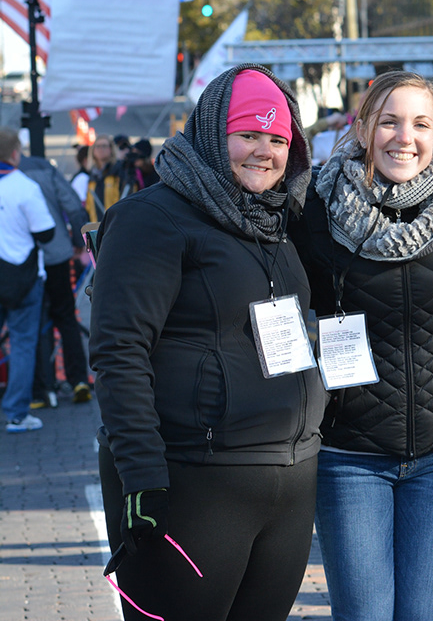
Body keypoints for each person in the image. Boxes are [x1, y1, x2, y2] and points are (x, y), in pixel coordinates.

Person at [90, 64, 325, 621]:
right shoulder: (152, 218)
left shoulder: (281, 221)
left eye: (277, 139)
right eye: (247, 134)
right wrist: (141, 476)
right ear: (213, 134)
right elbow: (119, 352)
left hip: (289, 483)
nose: (263, 152)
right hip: (194, 483)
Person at [291, 71, 433, 621]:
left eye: (420, 123)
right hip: (348, 454)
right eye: (389, 121)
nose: (403, 137)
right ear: (364, 128)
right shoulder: (314, 207)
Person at [17, 146, 93, 406]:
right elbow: (72, 204)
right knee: (66, 317)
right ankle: (79, 380)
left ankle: (42, 389)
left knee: (33, 321)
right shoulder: (44, 167)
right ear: (17, 149)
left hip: (21, 260)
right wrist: (75, 240)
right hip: (56, 253)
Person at [0, 127, 55, 433]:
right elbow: (46, 233)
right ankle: (17, 414)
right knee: (22, 344)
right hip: (22, 275)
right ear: (15, 154)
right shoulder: (24, 187)